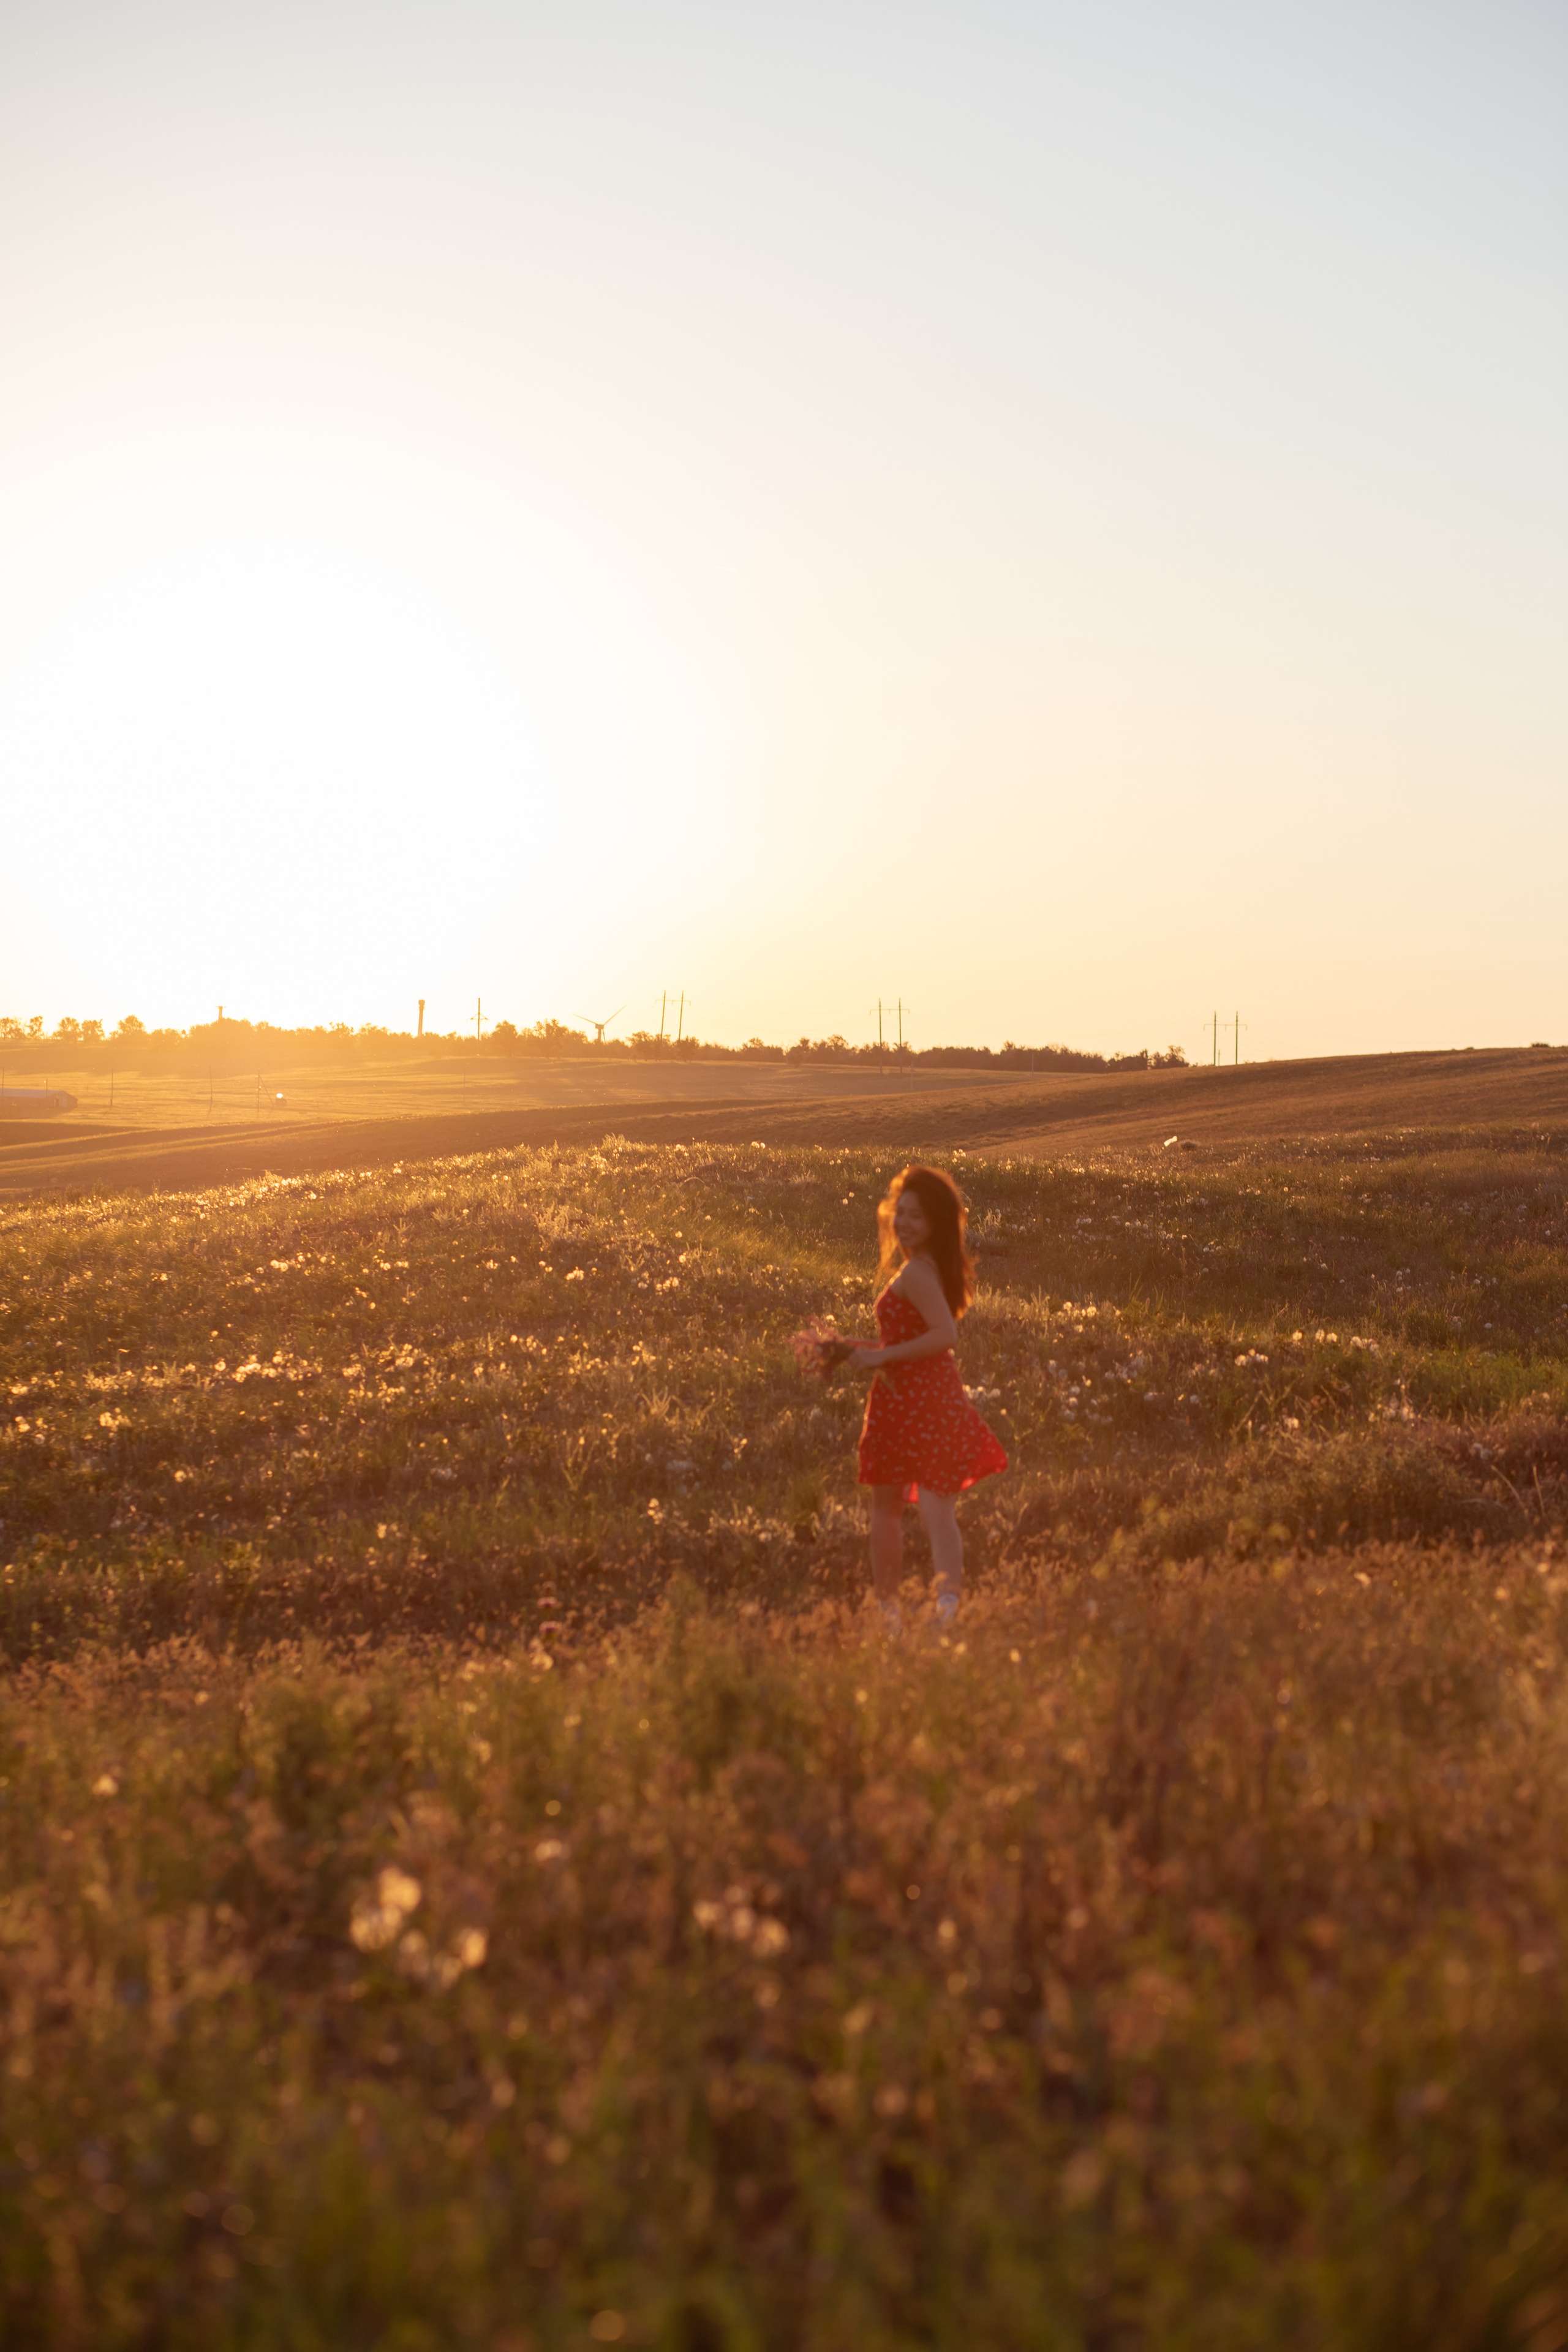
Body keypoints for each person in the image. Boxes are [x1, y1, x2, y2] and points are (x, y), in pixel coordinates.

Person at [846, 1164, 1007, 1630]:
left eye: (916, 1216)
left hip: (915, 1402)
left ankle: (893, 1611)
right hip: (923, 1396)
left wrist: (879, 1358)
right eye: (901, 1213)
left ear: (935, 1221)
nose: (904, 1223)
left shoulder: (917, 1271)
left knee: (892, 1510)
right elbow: (910, 1341)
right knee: (936, 1510)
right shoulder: (929, 1267)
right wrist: (856, 1350)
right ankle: (945, 1608)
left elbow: (944, 1335)